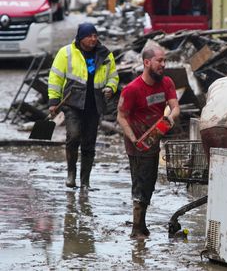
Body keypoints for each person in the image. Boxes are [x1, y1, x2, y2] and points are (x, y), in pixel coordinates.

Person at [117, 44, 180, 239]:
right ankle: (137, 229)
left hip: (153, 139)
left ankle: (142, 225)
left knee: (150, 181)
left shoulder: (166, 82)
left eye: (164, 60)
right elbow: (121, 116)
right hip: (137, 142)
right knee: (141, 182)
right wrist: (134, 138)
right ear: (147, 62)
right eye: (159, 60)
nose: (163, 64)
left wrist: (170, 117)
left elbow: (175, 107)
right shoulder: (132, 89)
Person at [48, 22, 119, 189]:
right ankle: (71, 173)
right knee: (73, 136)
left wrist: (110, 87)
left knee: (89, 143)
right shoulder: (65, 53)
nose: (93, 39)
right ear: (80, 38)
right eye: (89, 36)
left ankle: (85, 181)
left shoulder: (105, 55)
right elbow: (55, 77)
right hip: (72, 103)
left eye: (95, 36)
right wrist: (53, 101)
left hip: (94, 104)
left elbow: (113, 76)